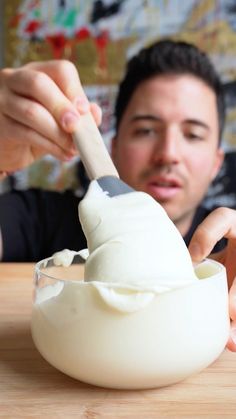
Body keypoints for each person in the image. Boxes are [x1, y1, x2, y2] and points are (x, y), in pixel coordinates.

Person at [0, 40, 236, 350]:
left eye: (192, 135)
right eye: (146, 130)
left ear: (216, 163)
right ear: (113, 147)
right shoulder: (40, 218)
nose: (168, 154)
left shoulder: (226, 250)